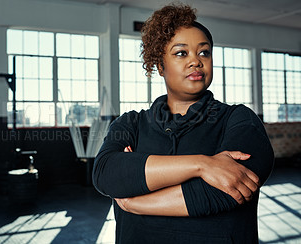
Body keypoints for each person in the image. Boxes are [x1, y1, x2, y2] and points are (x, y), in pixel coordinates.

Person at [92, 3, 274, 244]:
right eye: (181, 53)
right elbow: (107, 175)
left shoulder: (240, 120)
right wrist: (202, 165)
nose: (196, 62)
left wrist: (135, 202)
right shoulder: (130, 124)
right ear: (159, 66)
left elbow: (228, 191)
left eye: (204, 52)